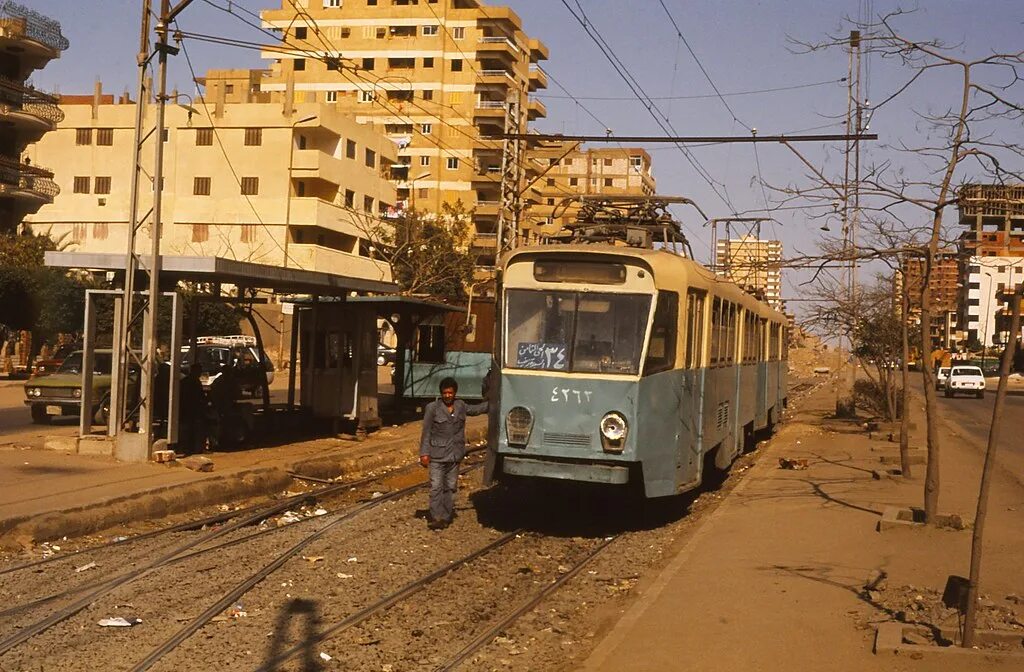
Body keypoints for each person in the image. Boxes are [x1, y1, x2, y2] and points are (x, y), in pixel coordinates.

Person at [419, 377, 488, 530]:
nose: (447, 396)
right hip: (437, 455)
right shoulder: (432, 408)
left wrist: (493, 403)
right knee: (436, 486)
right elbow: (426, 432)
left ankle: (446, 516)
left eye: (450, 393)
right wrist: (424, 453)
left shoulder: (461, 406)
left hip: (455, 455)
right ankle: (436, 517)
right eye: (445, 393)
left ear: (455, 393)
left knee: (450, 487)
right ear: (441, 393)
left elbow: (476, 410)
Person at [178, 363, 207, 454]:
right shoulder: (194, 381)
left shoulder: (185, 380)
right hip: (192, 408)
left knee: (187, 428)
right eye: (199, 371)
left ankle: (187, 447)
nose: (200, 373)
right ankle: (193, 447)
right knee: (193, 428)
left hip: (185, 407)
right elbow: (199, 396)